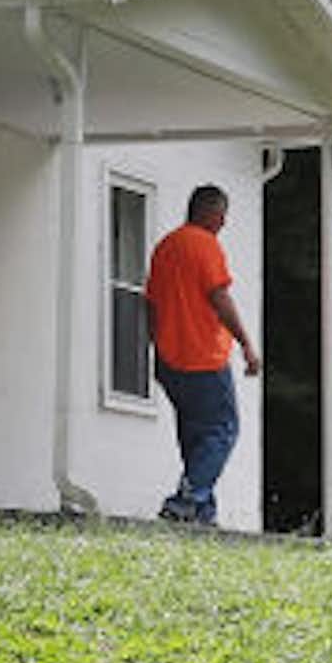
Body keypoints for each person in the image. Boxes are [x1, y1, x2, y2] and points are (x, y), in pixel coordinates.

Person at [143, 183, 260, 526]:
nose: (224, 223)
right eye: (222, 216)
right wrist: (247, 345)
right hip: (203, 358)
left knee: (196, 436)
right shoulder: (205, 245)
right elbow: (220, 297)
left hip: (170, 360)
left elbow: (150, 303)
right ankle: (186, 500)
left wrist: (157, 344)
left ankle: (203, 514)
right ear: (213, 214)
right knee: (223, 430)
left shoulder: (166, 247)